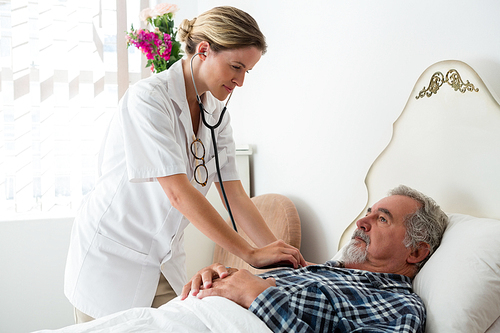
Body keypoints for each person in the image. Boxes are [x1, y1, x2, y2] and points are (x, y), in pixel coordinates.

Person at [64, 6, 305, 323]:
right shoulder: (148, 99)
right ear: (204, 50)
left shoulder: (217, 115)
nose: (241, 81)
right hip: (113, 261)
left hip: (164, 261)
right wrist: (249, 254)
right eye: (236, 67)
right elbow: (177, 192)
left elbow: (234, 195)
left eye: (247, 71)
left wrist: (275, 253)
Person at [182, 185, 449, 333]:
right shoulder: (318, 269)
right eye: (369, 213)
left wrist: (260, 298)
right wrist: (219, 279)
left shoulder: (400, 307)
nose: (361, 222)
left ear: (415, 252)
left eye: (382, 219)